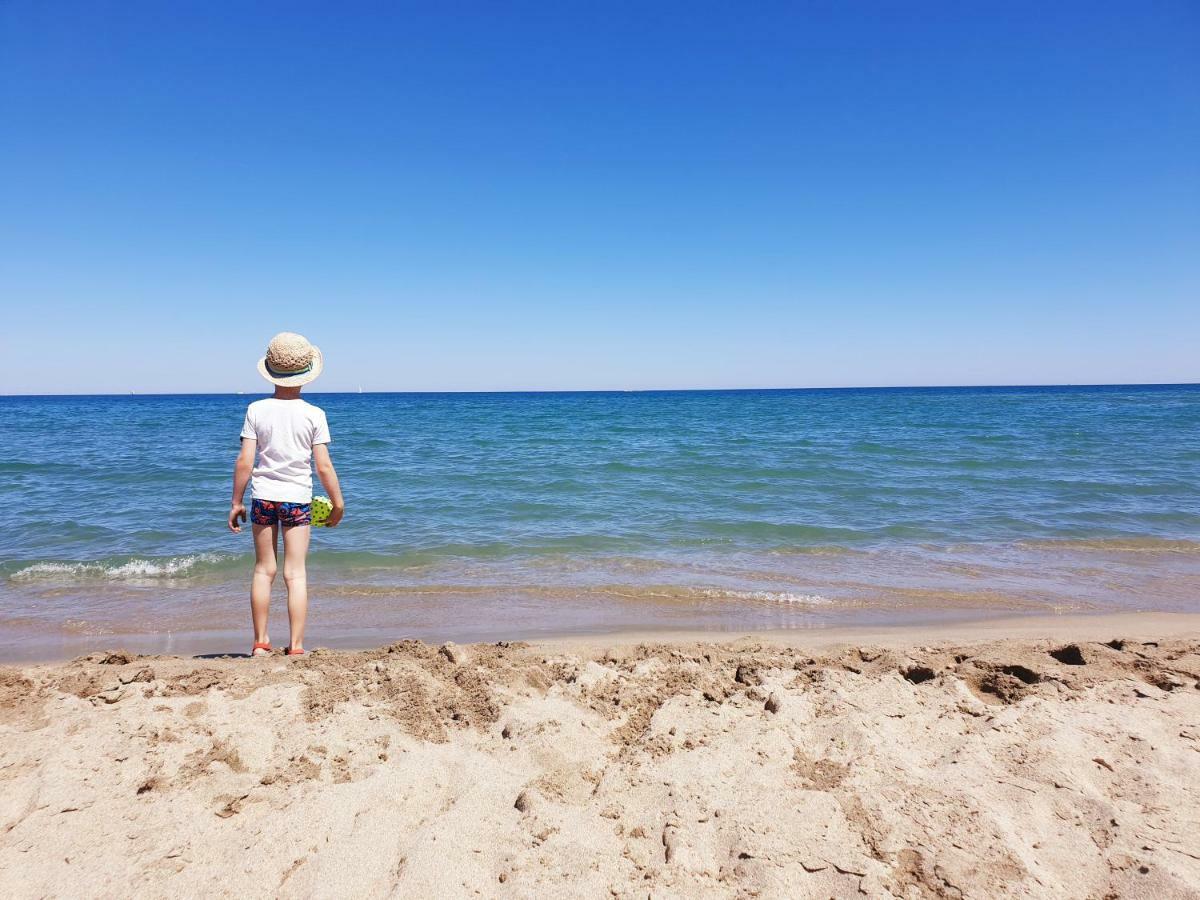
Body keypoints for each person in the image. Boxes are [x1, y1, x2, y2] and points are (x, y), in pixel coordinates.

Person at [228, 332, 345, 656]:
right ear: (307, 373)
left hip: (263, 497)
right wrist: (338, 503)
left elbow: (245, 462)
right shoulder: (314, 414)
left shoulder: (256, 410)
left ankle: (261, 644)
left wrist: (236, 502)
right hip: (297, 499)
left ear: (271, 370)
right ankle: (295, 647)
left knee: (264, 570)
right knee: (296, 573)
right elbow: (322, 466)